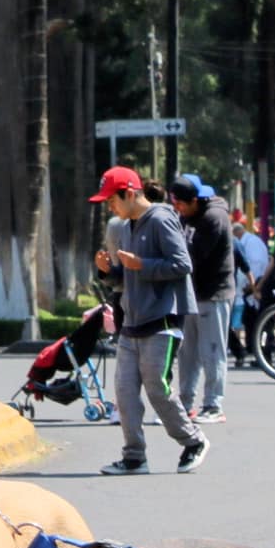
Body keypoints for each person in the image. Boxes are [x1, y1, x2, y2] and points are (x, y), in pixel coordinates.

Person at [90, 166, 208, 476]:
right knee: (125, 391)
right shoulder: (128, 226)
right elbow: (126, 276)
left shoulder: (161, 218)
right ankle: (134, 456)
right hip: (132, 321)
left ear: (129, 193)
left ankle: (192, 441)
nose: (110, 207)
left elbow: (182, 264)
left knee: (158, 388)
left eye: (112, 200)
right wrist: (106, 272)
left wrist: (142, 264)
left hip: (162, 321)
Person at [170, 174, 234, 423]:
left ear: (195, 200)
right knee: (187, 353)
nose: (178, 209)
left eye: (181, 205)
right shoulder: (187, 216)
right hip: (191, 294)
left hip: (213, 293)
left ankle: (213, 405)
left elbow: (195, 257)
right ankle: (185, 403)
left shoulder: (213, 218)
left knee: (212, 351)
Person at [231, 212, 271, 366]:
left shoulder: (249, 243)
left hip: (254, 287)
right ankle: (251, 351)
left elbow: (253, 265)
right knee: (249, 322)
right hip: (247, 289)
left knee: (256, 322)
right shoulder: (243, 242)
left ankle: (259, 353)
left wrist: (253, 286)